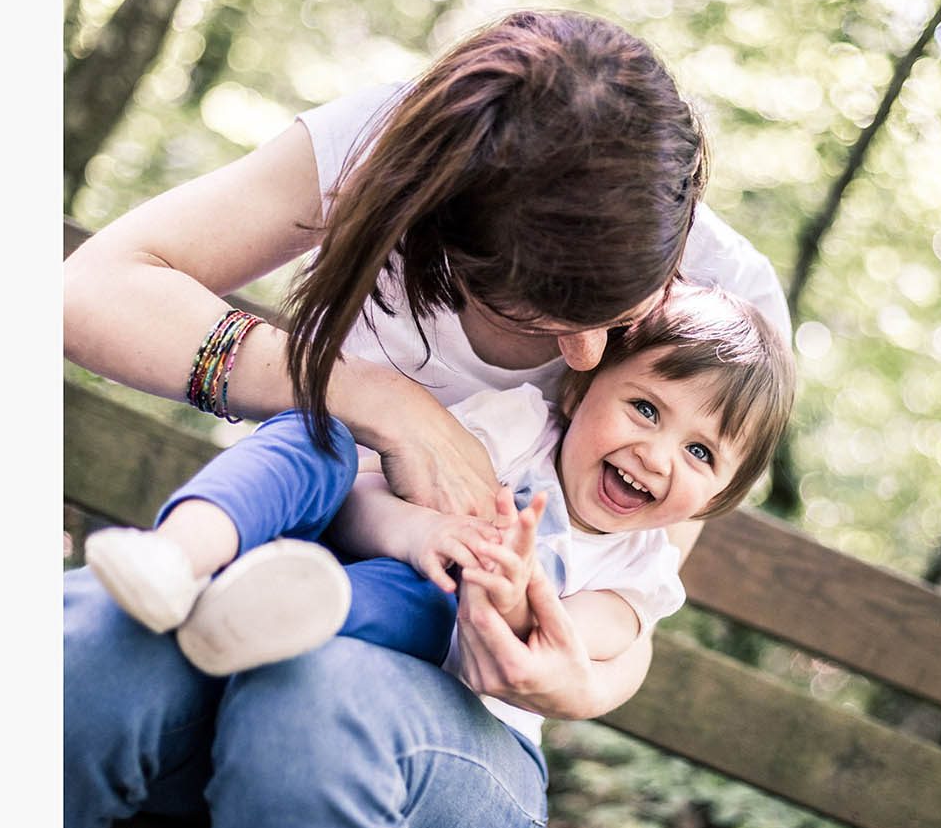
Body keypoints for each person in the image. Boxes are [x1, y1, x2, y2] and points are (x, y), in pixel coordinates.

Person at [64, 9, 791, 828]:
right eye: (536, 323)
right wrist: (376, 401)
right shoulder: (392, 152)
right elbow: (91, 293)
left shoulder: (729, 313)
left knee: (320, 698)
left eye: (620, 319)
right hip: (244, 599)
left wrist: (569, 685)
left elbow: (631, 594)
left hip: (443, 736)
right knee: (90, 648)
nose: (585, 365)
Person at [83, 287, 795, 711]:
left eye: (702, 453)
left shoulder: (639, 575)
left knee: (434, 599)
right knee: (318, 436)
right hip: (318, 538)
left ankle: (236, 622)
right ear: (580, 388)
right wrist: (418, 530)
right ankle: (179, 555)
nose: (657, 454)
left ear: (718, 497)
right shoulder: (516, 427)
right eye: (645, 409)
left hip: (398, 635)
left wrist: (509, 597)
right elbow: (352, 500)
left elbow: (560, 641)